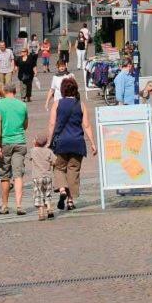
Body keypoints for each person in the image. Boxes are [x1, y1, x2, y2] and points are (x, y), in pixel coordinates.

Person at [47, 76, 97, 211]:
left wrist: (48, 141)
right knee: (73, 170)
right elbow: (86, 125)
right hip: (77, 142)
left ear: (62, 90)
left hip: (61, 142)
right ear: (75, 90)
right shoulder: (80, 104)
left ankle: (62, 189)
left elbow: (52, 124)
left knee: (59, 168)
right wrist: (92, 143)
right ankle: (70, 200)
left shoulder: (57, 103)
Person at [0, 82, 28, 215]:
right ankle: (19, 205)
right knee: (18, 174)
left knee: (5, 175)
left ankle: (4, 205)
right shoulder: (22, 105)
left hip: (6, 142)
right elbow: (25, 124)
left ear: (4, 91)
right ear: (15, 91)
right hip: (20, 141)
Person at [27, 133, 56, 221]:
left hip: (37, 176)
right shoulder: (49, 151)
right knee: (47, 193)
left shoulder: (33, 150)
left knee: (38, 194)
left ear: (36, 142)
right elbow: (55, 161)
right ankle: (49, 209)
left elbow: (29, 158)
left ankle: (41, 213)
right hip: (47, 176)